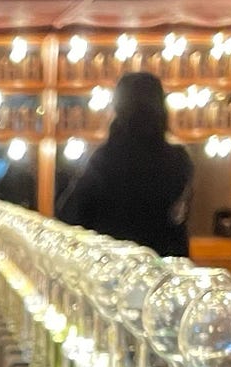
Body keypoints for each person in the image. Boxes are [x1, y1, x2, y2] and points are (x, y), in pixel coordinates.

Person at [56, 71, 192, 255]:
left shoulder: (106, 159)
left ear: (118, 109)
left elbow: (70, 216)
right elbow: (177, 223)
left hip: (113, 268)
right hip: (162, 271)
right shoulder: (180, 161)